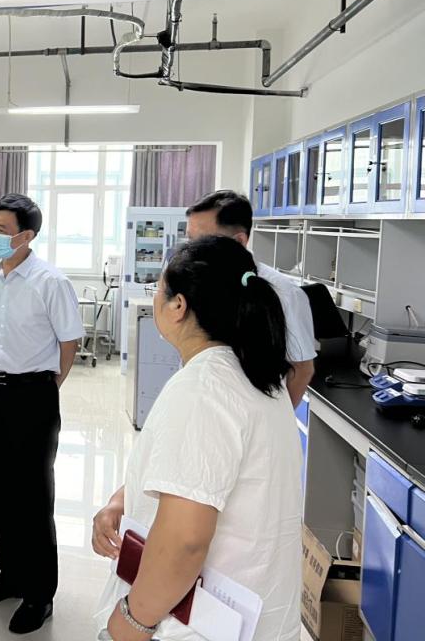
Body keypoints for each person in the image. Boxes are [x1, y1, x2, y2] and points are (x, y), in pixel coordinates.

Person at [91, 236, 301, 641]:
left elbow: (185, 541)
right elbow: (200, 477)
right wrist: (122, 499)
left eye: (158, 289)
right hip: (254, 620)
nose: (155, 298)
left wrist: (133, 621)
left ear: (178, 306)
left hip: (195, 626)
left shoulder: (204, 388)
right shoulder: (258, 376)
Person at [0, 193, 84, 635]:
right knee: (0, 491)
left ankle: (40, 594)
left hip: (33, 394)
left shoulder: (50, 281)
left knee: (33, 497)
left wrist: (48, 388)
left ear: (27, 235)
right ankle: (11, 575)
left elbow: (69, 342)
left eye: (2, 229)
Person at [186, 190, 316, 407]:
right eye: (190, 240)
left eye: (203, 242)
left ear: (239, 241)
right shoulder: (197, 284)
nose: (191, 251)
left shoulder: (285, 294)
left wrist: (276, 419)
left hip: (252, 414)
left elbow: (302, 368)